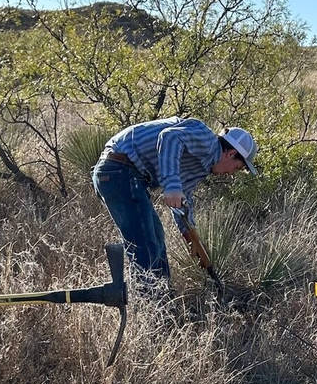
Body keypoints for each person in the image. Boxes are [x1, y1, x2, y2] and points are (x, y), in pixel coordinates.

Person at [92, 118, 258, 294]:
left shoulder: (201, 167)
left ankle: (162, 303)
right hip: (118, 169)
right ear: (231, 153)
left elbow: (183, 201)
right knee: (147, 247)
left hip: (128, 176)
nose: (231, 174)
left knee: (156, 240)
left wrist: (192, 237)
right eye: (237, 168)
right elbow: (169, 137)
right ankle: (148, 309)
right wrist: (172, 185)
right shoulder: (206, 139)